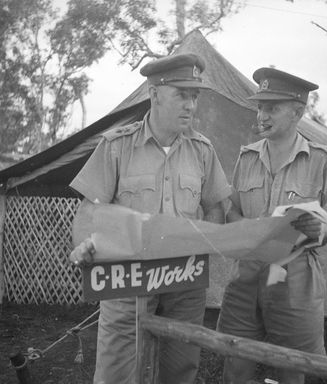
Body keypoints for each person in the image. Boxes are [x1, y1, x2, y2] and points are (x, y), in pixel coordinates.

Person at [69, 53, 232, 384]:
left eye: (195, 96)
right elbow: (89, 211)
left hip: (183, 280)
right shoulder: (117, 146)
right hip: (128, 280)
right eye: (181, 95)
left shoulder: (203, 150)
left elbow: (217, 206)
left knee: (180, 370)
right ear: (155, 93)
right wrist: (83, 244)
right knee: (117, 372)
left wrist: (208, 233)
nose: (190, 105)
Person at [217, 67, 327, 384]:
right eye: (260, 106)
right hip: (247, 274)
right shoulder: (246, 158)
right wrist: (248, 232)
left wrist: (319, 231)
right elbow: (231, 210)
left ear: (298, 112)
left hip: (295, 277)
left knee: (292, 368)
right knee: (236, 362)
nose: (262, 115)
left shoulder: (321, 160)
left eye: (272, 107)